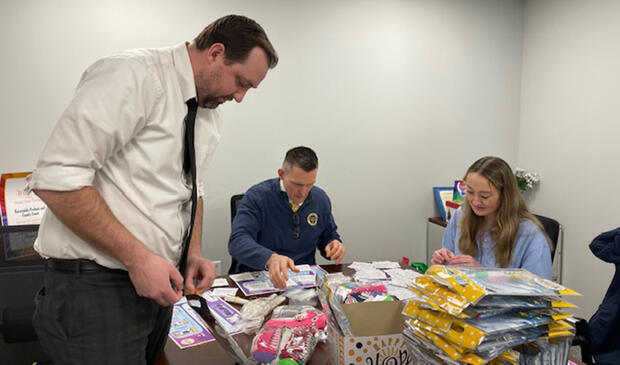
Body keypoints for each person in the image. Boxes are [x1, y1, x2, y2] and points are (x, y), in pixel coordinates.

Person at [26, 15, 278, 365]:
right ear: (216, 53)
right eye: (240, 82)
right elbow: (56, 179)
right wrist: (139, 259)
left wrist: (192, 252)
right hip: (98, 288)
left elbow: (193, 188)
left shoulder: (205, 111)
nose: (239, 97)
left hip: (155, 286)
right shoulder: (133, 76)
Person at [228, 146, 345, 288]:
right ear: (281, 174)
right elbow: (237, 241)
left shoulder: (320, 199)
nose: (303, 193)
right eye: (297, 184)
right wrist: (270, 259)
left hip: (303, 281)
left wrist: (333, 244)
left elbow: (328, 236)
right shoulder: (257, 197)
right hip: (261, 278)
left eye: (310, 185)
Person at [431, 156, 552, 279]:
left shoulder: (530, 235)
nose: (476, 202)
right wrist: (443, 261)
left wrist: (483, 275)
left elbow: (539, 292)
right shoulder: (460, 215)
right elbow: (449, 268)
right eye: (470, 192)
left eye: (485, 196)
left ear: (505, 195)